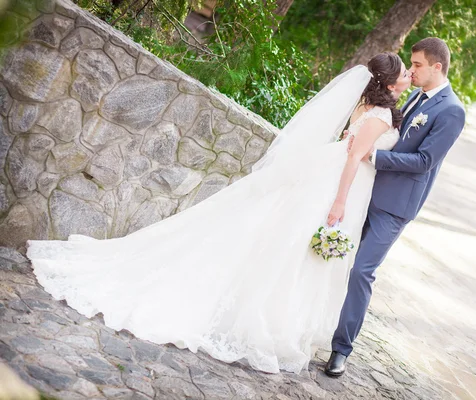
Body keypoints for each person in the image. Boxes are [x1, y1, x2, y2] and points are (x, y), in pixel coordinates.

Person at [27, 52, 411, 374]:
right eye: (404, 73)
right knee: (297, 251)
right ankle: (271, 321)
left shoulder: (368, 106)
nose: (408, 77)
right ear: (390, 83)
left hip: (328, 179)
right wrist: (341, 202)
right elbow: (352, 160)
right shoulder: (377, 116)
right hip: (336, 187)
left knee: (290, 246)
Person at [325, 37, 466, 377]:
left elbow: (424, 160)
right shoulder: (416, 93)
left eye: (417, 65)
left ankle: (341, 349)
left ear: (437, 66)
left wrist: (371, 155)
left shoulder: (452, 111)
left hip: (395, 205)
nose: (412, 70)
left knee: (362, 271)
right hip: (365, 191)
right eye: (411, 65)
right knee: (337, 259)